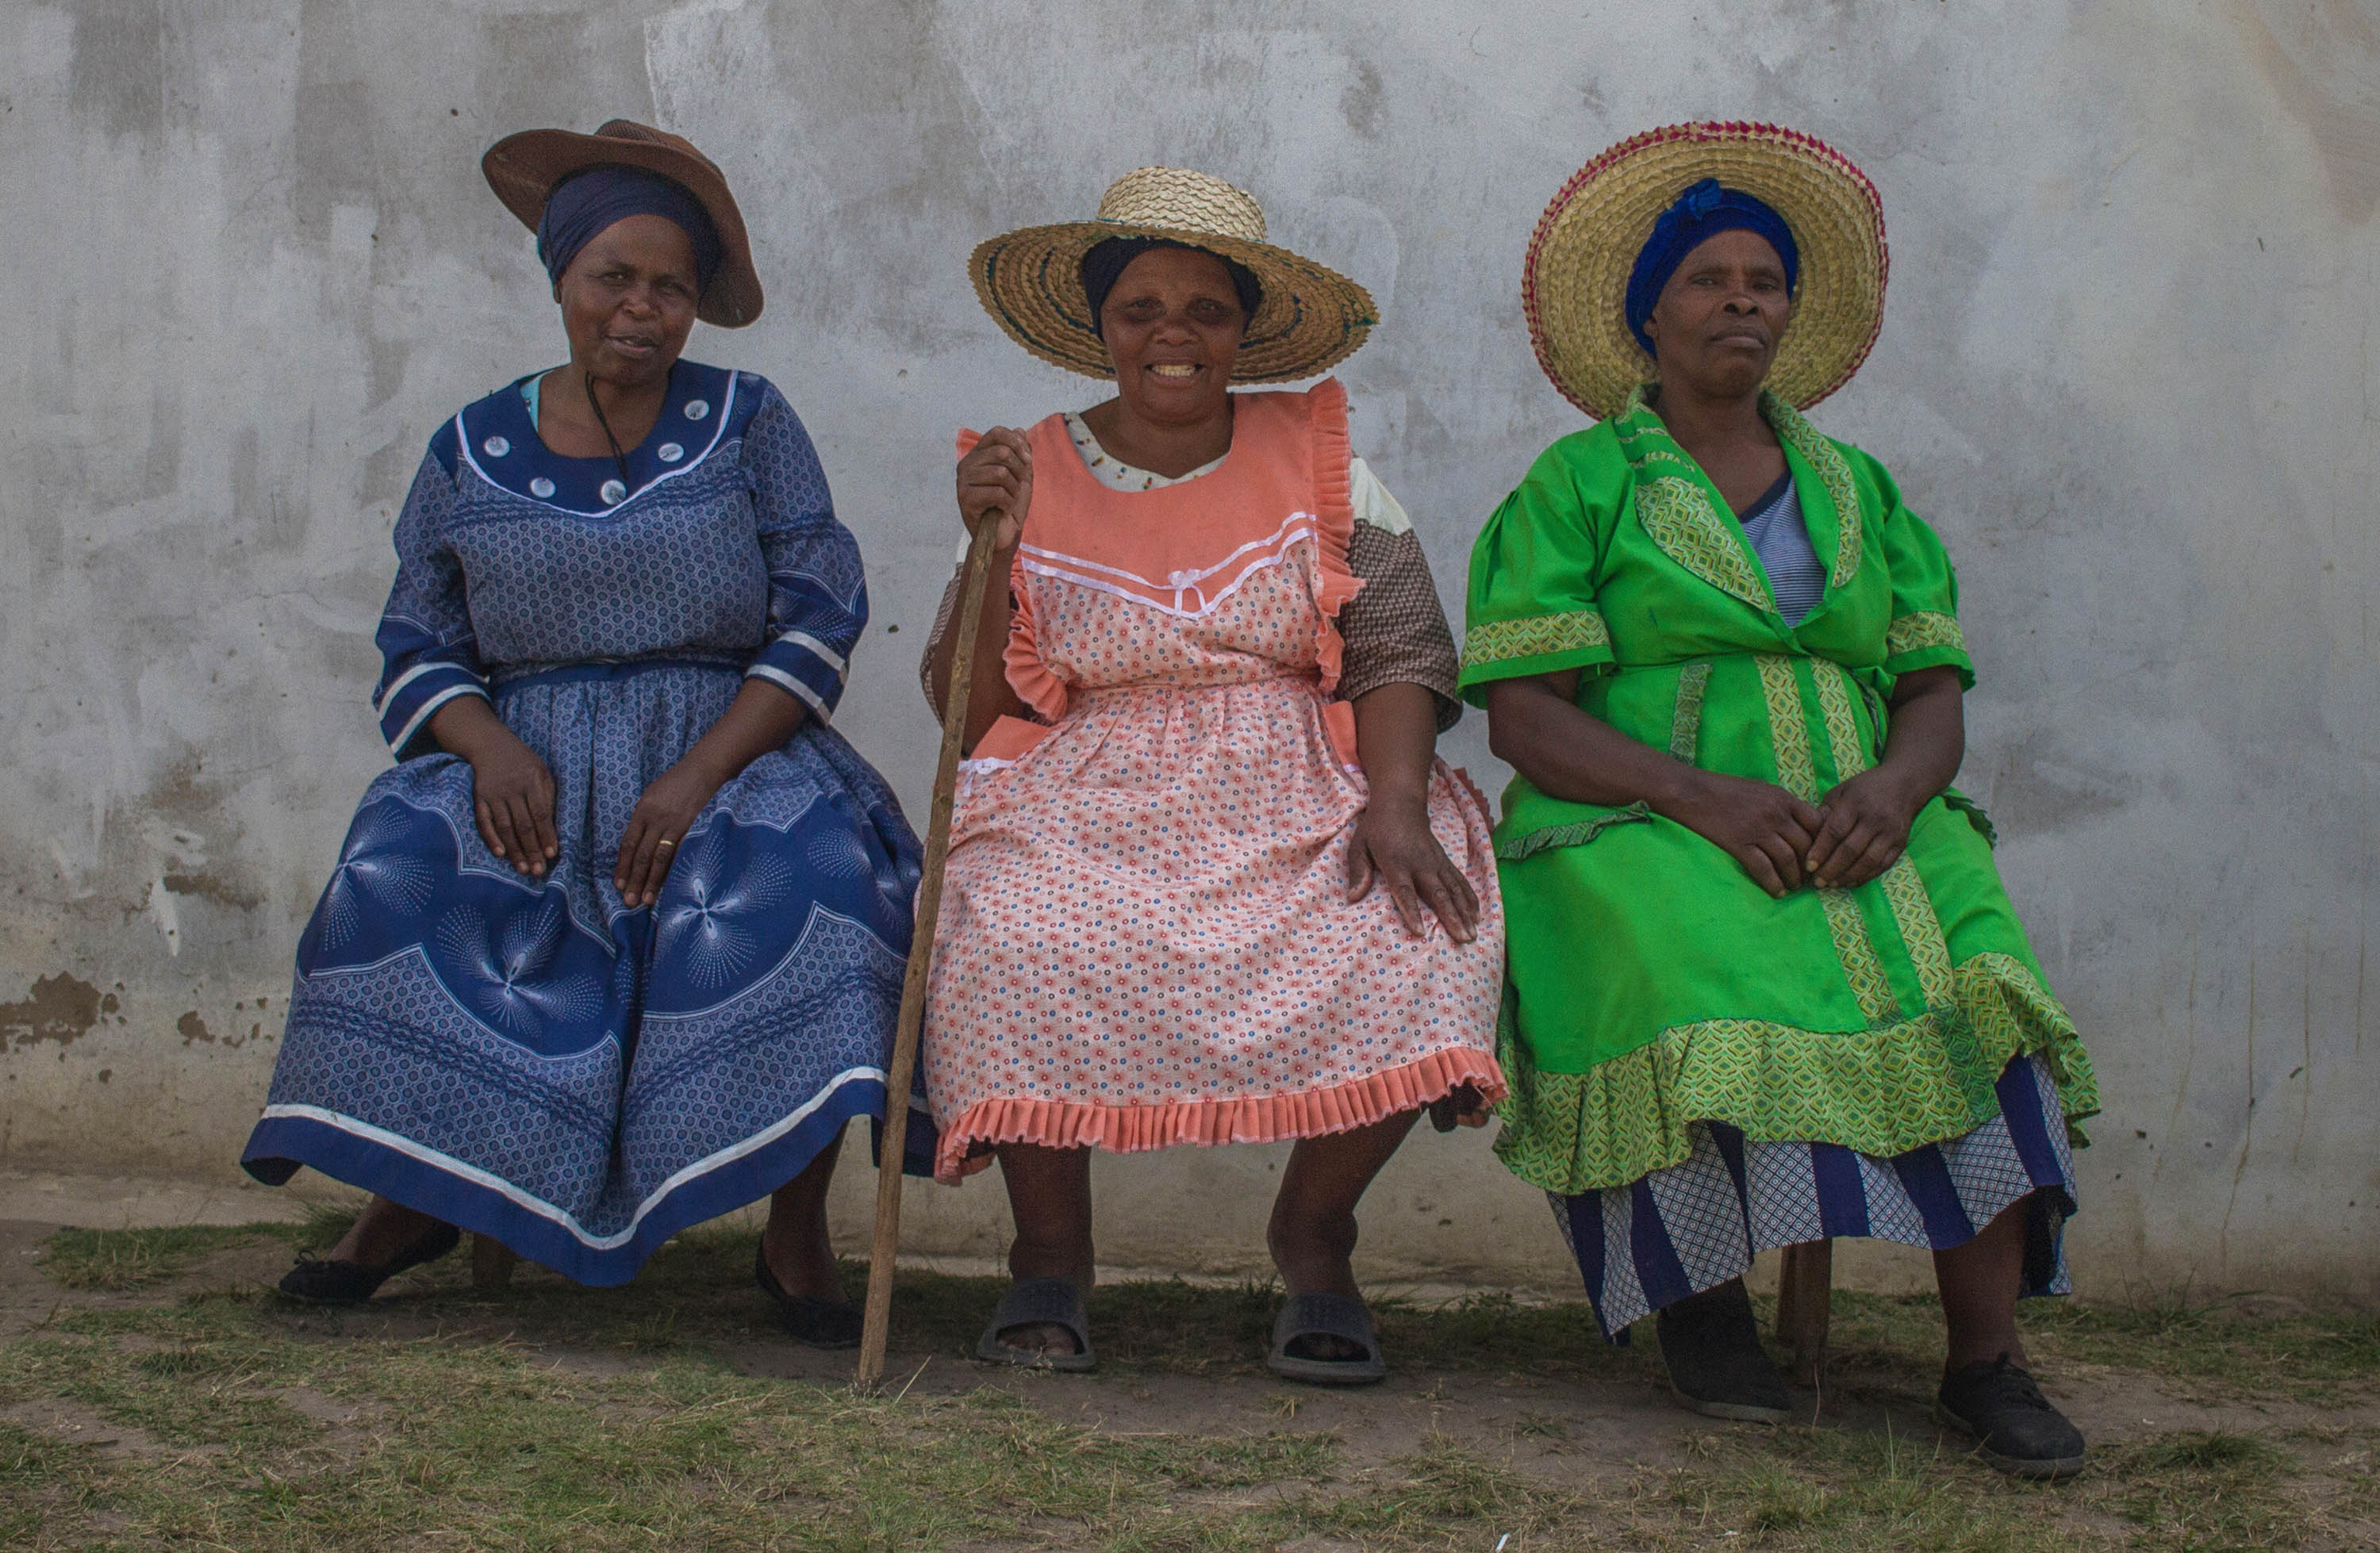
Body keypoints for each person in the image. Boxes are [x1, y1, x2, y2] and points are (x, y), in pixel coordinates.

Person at [1462, 123, 2099, 1478]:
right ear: (1647, 316)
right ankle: (1705, 1308)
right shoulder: (1577, 485)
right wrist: (1706, 800)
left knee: (1979, 975)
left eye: (1765, 278)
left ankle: (1985, 1362)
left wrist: (1893, 788)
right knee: (1673, 955)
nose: (1741, 298)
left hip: (1868, 810)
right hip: (1641, 817)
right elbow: (1525, 717)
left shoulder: (1862, 486)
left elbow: (1931, 689)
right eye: (1707, 277)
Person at [240, 121, 923, 1346]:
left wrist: (694, 776)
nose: (643, 309)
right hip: (528, 764)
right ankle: (415, 1199)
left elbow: (822, 613)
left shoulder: (750, 421)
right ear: (561, 279)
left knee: (824, 880)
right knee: (394, 872)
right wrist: (489, 749)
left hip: (729, 751)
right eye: (615, 277)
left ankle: (794, 1223)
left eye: (671, 287)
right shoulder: (469, 446)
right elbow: (418, 639)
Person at [918, 167, 1506, 1383]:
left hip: (1300, 776)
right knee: (1013, 931)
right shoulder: (1025, 466)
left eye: (1204, 309)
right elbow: (966, 705)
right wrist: (987, 546)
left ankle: (1314, 1237)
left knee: (1418, 931)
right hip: (1087, 792)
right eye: (1140, 307)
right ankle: (1050, 1253)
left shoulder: (1319, 454)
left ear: (1245, 329)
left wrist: (1395, 800)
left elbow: (1396, 639)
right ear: (1101, 326)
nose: (1171, 334)